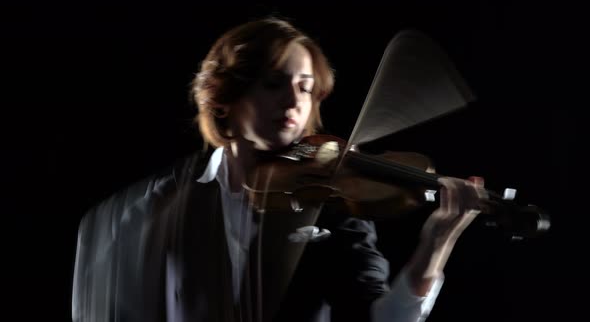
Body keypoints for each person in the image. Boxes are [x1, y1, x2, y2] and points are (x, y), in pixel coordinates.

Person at [72, 17, 486, 322]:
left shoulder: (331, 201)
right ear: (224, 98)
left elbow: (379, 319)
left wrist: (434, 246)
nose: (293, 103)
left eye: (305, 88)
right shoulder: (160, 203)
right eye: (274, 83)